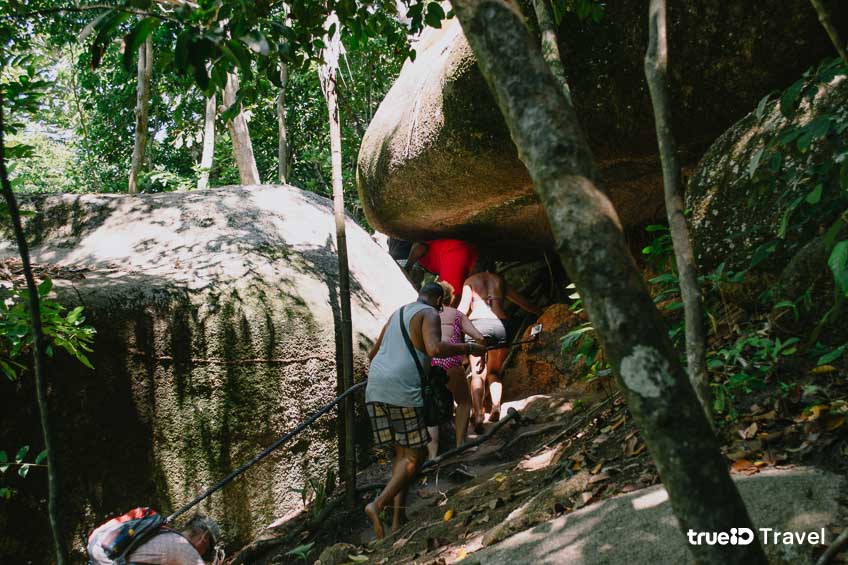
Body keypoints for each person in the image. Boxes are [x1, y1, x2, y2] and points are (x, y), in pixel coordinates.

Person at [364, 282, 487, 539]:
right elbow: (434, 348)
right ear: (438, 300)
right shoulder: (429, 313)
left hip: (375, 388)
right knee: (415, 456)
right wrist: (468, 348)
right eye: (441, 303)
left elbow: (372, 353)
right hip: (402, 390)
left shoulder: (398, 313)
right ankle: (378, 505)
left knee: (402, 454)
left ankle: (398, 520)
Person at [458, 266, 541, 433]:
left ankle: (478, 414)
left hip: (477, 325)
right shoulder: (499, 281)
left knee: (477, 374)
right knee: (494, 372)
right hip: (499, 325)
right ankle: (496, 407)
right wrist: (541, 311)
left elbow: (461, 310)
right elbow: (522, 302)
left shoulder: (470, 282)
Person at [425, 281, 487, 459]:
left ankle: (432, 455)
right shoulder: (457, 314)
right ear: (449, 298)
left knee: (430, 405)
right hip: (450, 361)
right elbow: (479, 337)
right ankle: (460, 445)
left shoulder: (424, 314)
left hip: (429, 363)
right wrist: (481, 355)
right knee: (464, 402)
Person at [89, 514, 221, 565]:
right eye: (206, 551)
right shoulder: (184, 549)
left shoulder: (165, 534)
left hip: (101, 553)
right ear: (204, 539)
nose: (202, 555)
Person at [403, 239, 478, 305]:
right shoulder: (431, 262)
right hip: (465, 249)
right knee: (463, 296)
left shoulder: (421, 261)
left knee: (451, 299)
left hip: (453, 252)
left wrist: (407, 267)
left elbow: (419, 247)